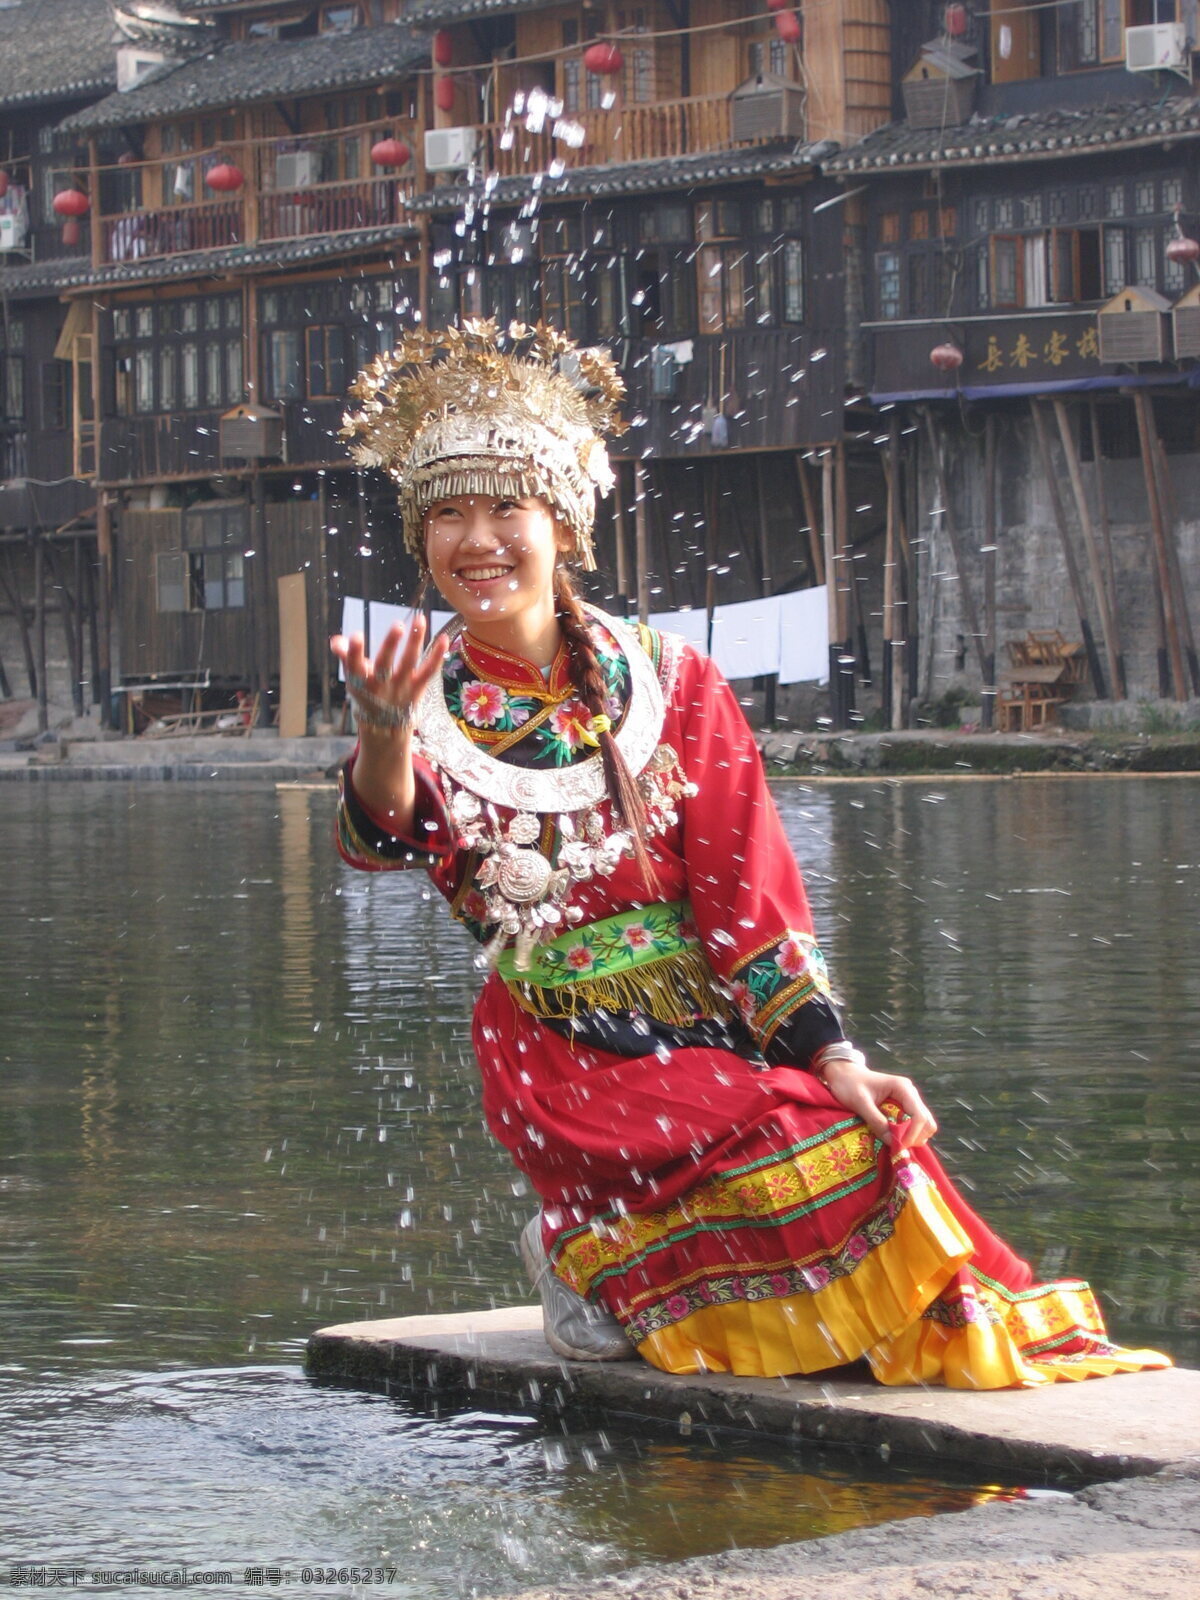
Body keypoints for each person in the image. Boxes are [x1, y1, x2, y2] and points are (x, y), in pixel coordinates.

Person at [330, 319, 1169, 1387]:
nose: (477, 539)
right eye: (447, 513)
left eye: (506, 506)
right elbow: (380, 836)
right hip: (557, 1049)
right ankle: (592, 1248)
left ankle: (601, 1255)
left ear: (563, 522)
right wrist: (385, 729)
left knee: (869, 1147)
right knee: (796, 1143)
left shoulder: (678, 683)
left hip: (707, 1032)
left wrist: (834, 1054)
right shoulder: (417, 697)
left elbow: (752, 907)